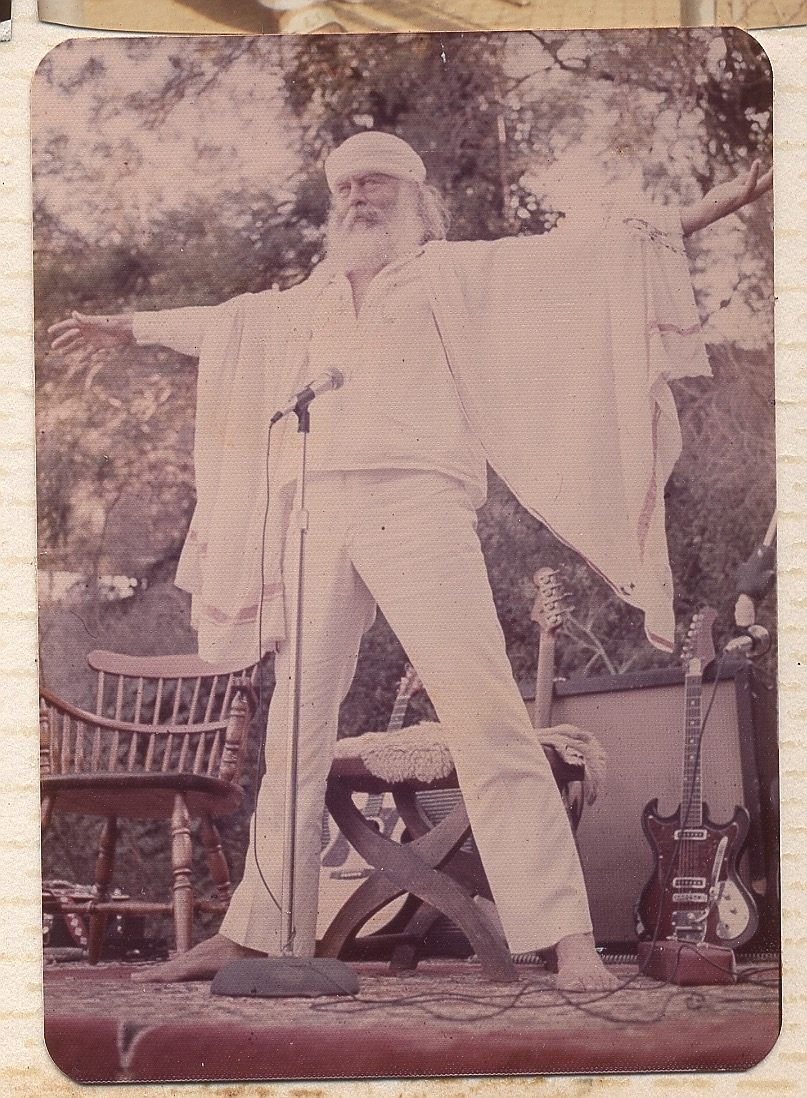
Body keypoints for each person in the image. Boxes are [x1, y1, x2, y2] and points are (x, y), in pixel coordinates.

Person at [48, 132, 771, 990]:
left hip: (419, 508)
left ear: (414, 197)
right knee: (293, 733)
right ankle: (253, 935)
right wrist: (127, 327)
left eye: (376, 184)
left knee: (487, 719)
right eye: (346, 187)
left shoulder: (450, 275)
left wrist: (708, 208)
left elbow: (582, 261)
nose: (359, 198)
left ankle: (565, 936)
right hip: (316, 512)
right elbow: (226, 326)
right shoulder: (309, 301)